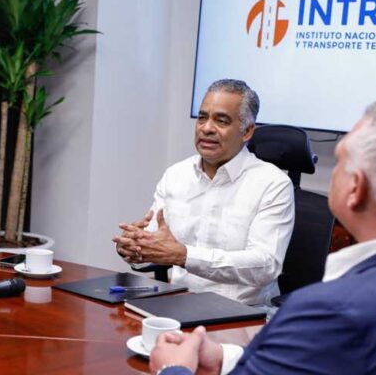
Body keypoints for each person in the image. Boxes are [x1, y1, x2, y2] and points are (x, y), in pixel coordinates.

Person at [150, 99, 376, 375]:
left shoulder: (329, 311)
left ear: (355, 189)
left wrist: (172, 368)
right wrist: (225, 358)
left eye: (340, 162)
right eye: (203, 117)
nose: (208, 127)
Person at [113, 79, 294, 305]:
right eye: (202, 117)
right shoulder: (176, 175)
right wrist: (133, 246)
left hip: (242, 312)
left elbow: (265, 265)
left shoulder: (273, 184)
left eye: (221, 120)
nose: (206, 128)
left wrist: (183, 255)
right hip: (177, 305)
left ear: (247, 131)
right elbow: (155, 243)